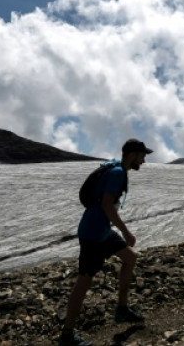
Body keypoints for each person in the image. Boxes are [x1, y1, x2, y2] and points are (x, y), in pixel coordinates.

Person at [58, 139, 152, 346]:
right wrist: (126, 232)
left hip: (103, 231)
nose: (144, 160)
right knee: (84, 281)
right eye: (142, 156)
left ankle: (122, 309)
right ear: (132, 155)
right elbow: (107, 205)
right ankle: (66, 335)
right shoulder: (117, 173)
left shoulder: (116, 168)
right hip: (93, 233)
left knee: (130, 258)